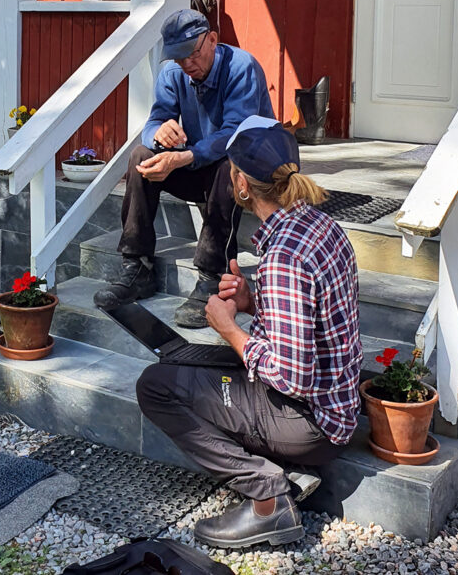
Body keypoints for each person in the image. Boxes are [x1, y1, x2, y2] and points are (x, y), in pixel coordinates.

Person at [135, 116, 362, 550]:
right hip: (332, 405)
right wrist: (252, 299)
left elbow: (294, 378)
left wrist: (228, 329)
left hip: (309, 423)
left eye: (231, 173)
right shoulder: (320, 226)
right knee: (182, 361)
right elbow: (310, 317)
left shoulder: (285, 258)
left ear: (241, 184)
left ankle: (267, 497)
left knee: (156, 386)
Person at [93, 8, 275, 327]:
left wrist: (183, 157)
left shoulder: (242, 67)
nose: (186, 65)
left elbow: (235, 133)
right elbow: (153, 121)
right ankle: (137, 268)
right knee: (140, 156)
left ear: (213, 41)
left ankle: (212, 278)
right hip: (199, 162)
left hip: (249, 168)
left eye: (191, 55)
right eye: (178, 58)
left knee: (228, 166)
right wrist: (159, 132)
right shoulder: (173, 73)